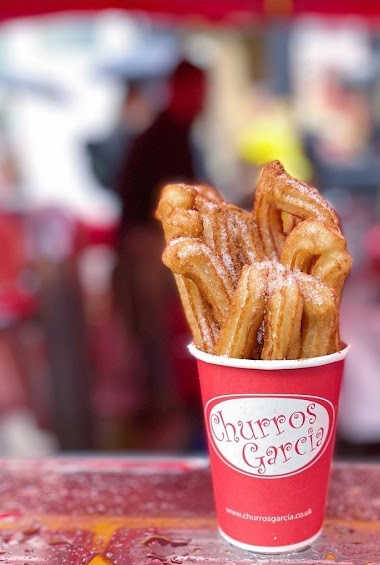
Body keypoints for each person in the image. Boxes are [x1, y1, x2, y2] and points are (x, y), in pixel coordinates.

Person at [112, 59, 208, 451]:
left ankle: (172, 407)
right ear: (180, 89)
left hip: (152, 243)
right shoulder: (164, 132)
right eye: (200, 90)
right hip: (148, 245)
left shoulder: (174, 130)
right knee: (160, 332)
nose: (205, 99)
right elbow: (164, 198)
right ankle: (165, 411)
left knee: (166, 330)